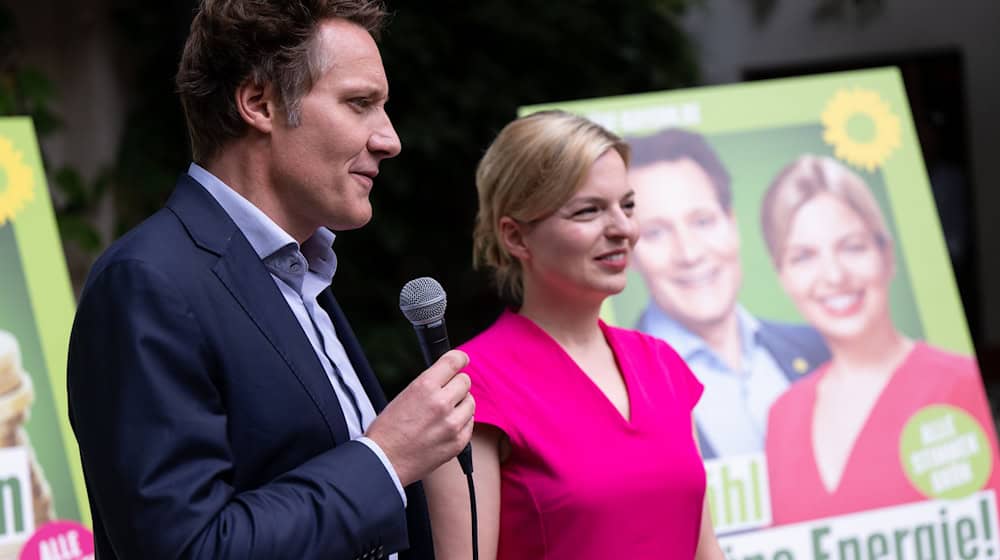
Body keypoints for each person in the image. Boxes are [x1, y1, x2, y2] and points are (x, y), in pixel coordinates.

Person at [65, 2, 474, 559]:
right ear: (259, 103)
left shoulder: (304, 275)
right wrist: (385, 459)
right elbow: (188, 548)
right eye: (360, 104)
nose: (390, 139)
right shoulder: (145, 282)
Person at [424, 111, 725, 559]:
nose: (622, 229)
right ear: (516, 237)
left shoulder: (663, 365)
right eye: (589, 210)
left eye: (627, 205)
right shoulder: (468, 389)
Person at [761, 154, 1000, 525]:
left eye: (852, 246)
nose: (833, 275)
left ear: (886, 255)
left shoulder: (955, 382)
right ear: (783, 277)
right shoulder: (784, 415)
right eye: (803, 256)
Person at [627, 128, 830, 459]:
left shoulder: (820, 347)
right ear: (629, 253)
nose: (689, 253)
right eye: (655, 232)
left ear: (732, 223)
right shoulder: (613, 386)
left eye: (703, 221)